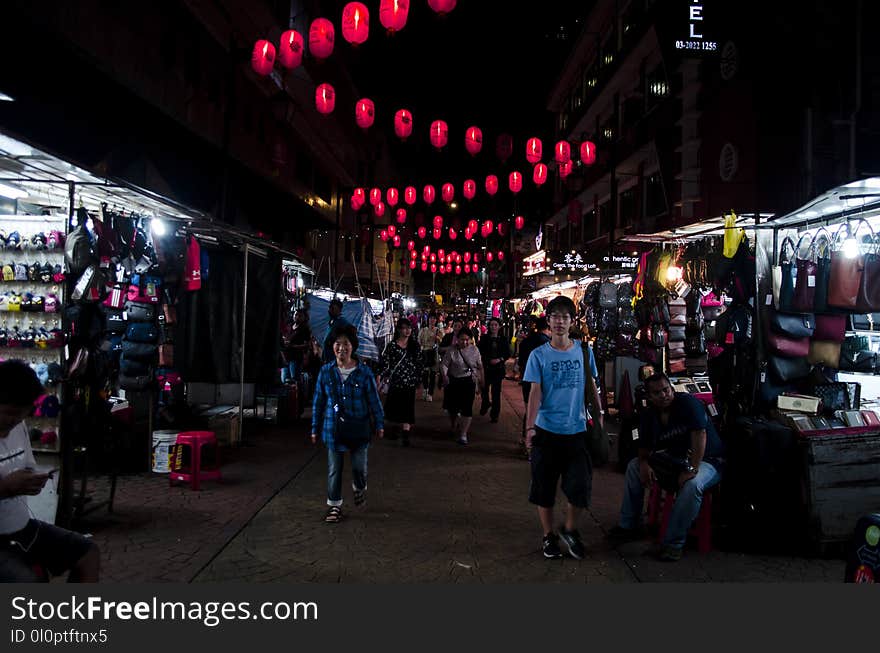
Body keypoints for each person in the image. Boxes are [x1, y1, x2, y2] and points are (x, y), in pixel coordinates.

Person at [606, 373, 724, 561]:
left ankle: (673, 544)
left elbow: (700, 435)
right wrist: (644, 463)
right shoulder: (649, 414)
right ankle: (630, 525)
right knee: (633, 467)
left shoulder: (688, 404)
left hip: (708, 460)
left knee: (692, 486)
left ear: (671, 388)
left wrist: (692, 469)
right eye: (657, 393)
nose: (663, 395)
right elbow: (644, 446)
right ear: (649, 396)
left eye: (666, 390)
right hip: (677, 459)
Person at [0, 360, 100, 582]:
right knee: (27, 581)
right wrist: (5, 488)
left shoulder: (18, 426)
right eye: (9, 413)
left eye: (21, 415)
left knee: (87, 553)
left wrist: (31, 480)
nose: (14, 421)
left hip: (21, 527)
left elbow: (27, 465)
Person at [524, 296, 603, 560]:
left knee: (580, 486)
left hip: (577, 431)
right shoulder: (538, 355)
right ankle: (549, 536)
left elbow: (591, 385)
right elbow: (535, 393)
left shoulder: (583, 351)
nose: (559, 321)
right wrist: (529, 429)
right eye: (555, 316)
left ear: (572, 321)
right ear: (548, 321)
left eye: (565, 317)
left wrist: (600, 416)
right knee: (544, 489)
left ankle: (570, 529)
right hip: (546, 432)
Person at [311, 325, 385, 523]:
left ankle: (359, 488)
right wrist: (314, 428)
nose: (341, 348)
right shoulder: (326, 372)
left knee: (359, 468)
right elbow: (318, 402)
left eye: (346, 344)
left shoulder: (364, 372)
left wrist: (379, 423)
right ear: (332, 347)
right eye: (337, 344)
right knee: (334, 469)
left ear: (353, 347)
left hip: (359, 428)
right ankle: (334, 506)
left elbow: (374, 400)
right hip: (332, 429)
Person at [377, 318, 424, 446]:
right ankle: (394, 429)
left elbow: (419, 364)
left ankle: (406, 434)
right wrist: (380, 376)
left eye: (409, 328)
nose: (407, 330)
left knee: (407, 408)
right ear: (399, 329)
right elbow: (386, 363)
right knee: (394, 407)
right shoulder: (392, 346)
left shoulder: (415, 346)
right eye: (404, 328)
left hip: (409, 382)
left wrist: (419, 380)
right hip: (396, 381)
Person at [439, 328, 484, 445]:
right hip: (453, 381)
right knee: (452, 407)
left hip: (468, 381)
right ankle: (453, 424)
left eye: (467, 340)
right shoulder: (451, 350)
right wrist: (445, 376)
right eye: (462, 339)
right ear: (457, 339)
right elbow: (444, 364)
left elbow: (480, 366)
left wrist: (481, 381)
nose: (464, 342)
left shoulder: (475, 350)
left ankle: (463, 434)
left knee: (467, 408)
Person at [517, 317, 551, 451]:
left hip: (527, 379)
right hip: (543, 382)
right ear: (548, 328)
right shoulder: (548, 344)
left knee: (529, 409)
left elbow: (521, 362)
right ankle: (535, 443)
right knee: (541, 411)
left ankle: (527, 439)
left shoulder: (525, 342)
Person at [478, 317, 511, 423]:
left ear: (499, 327)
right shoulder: (484, 338)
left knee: (496, 392)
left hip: (498, 369)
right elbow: (480, 352)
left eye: (495, 325)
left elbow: (507, 353)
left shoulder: (503, 339)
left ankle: (495, 414)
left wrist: (499, 359)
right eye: (491, 325)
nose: (493, 327)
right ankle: (485, 403)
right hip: (486, 368)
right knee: (484, 389)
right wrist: (487, 360)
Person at [418, 312, 443, 402]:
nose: (432, 320)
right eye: (431, 318)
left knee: (432, 375)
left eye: (434, 318)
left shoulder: (438, 330)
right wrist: (422, 348)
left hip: (434, 354)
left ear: (436, 320)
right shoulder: (423, 330)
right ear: (428, 319)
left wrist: (438, 338)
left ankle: (430, 393)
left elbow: (441, 342)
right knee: (425, 373)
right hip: (425, 353)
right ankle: (425, 389)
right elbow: (419, 341)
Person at [281, 308, 311, 385]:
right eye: (296, 315)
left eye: (300, 316)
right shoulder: (290, 326)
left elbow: (307, 344)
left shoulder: (305, 329)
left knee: (294, 380)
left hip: (296, 358)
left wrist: (294, 346)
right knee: (284, 380)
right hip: (286, 357)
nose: (297, 317)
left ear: (304, 317)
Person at [322, 298, 351, 363]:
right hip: (327, 357)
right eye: (329, 308)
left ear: (339, 310)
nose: (329, 310)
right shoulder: (332, 321)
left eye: (332, 308)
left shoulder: (343, 322)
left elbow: (352, 334)